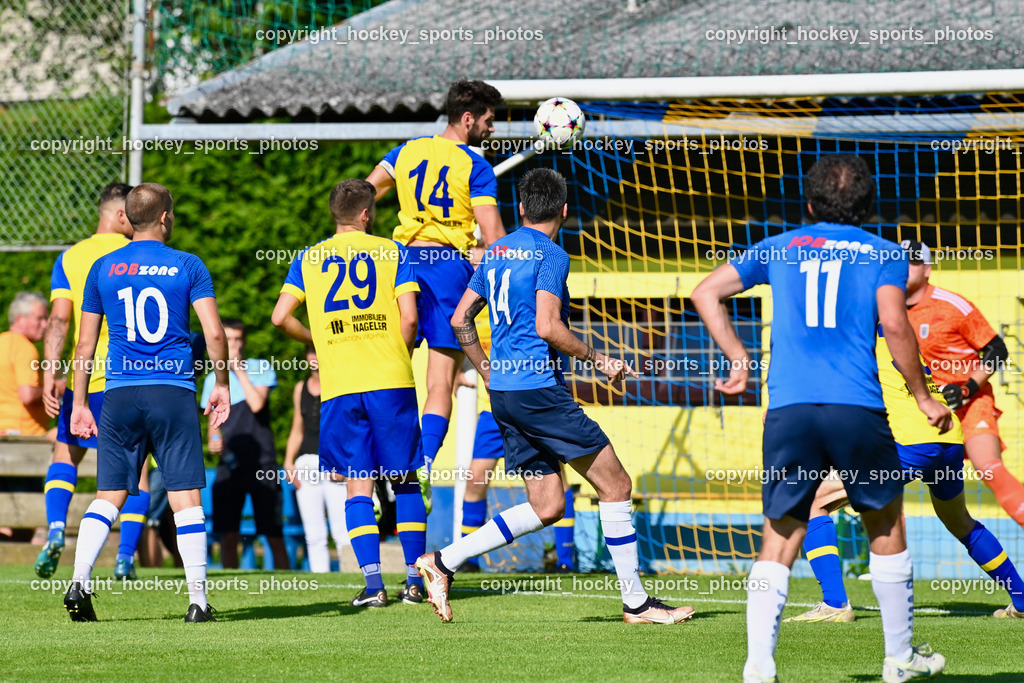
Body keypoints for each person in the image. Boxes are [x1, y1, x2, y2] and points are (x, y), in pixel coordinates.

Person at [691, 154, 953, 683]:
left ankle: (759, 666)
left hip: (789, 410)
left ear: (809, 205)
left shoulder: (780, 246)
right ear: (869, 207)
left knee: (780, 533)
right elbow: (895, 326)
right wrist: (923, 396)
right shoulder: (882, 253)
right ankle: (899, 658)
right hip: (857, 408)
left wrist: (739, 360)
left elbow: (705, 291)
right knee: (885, 523)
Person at [415, 168, 693, 625]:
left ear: (521, 208)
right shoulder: (552, 254)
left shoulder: (497, 250)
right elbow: (547, 326)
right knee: (616, 485)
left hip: (505, 393)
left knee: (548, 505)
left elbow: (460, 317)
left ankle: (442, 561)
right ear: (564, 210)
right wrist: (600, 360)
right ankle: (637, 603)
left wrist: (486, 368)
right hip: (537, 391)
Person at [788, 300, 1024, 622]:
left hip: (911, 443)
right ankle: (1022, 600)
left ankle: (834, 604)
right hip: (948, 437)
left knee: (813, 498)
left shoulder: (855, 339)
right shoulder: (896, 332)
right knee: (960, 522)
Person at [64, 182, 231, 623]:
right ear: (163, 218)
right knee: (185, 495)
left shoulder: (102, 268)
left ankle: (79, 580)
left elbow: (84, 345)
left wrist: (80, 403)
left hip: (118, 392)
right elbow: (214, 333)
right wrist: (221, 384)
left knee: (109, 494)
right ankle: (197, 601)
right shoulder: (187, 265)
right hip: (172, 391)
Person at [272, 178, 427, 607]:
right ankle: (416, 581)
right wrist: (399, 354)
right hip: (390, 380)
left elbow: (279, 316)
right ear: (366, 214)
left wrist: (315, 341)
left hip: (340, 386)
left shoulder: (309, 257)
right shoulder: (392, 252)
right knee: (406, 480)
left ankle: (374, 587)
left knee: (357, 485)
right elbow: (410, 319)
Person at [366, 79, 506, 498]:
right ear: (468, 119)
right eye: (488, 121)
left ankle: (371, 473)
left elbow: (364, 194)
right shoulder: (476, 167)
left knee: (387, 373)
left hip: (401, 262)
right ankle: (424, 465)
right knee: (440, 383)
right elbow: (495, 236)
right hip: (447, 268)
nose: (492, 130)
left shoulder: (406, 151)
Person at [35, 182, 151, 581]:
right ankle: (124, 556)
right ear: (122, 215)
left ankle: (54, 530)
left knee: (66, 455)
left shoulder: (72, 257)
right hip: (133, 376)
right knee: (137, 473)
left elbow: (59, 321)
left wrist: (52, 372)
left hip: (86, 379)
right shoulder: (138, 255)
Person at [901, 240, 1024, 528]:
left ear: (928, 269)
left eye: (913, 261)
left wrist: (967, 389)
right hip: (919, 410)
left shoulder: (953, 304)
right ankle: (889, 566)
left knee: (990, 469)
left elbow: (997, 351)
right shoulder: (883, 308)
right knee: (884, 479)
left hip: (969, 404)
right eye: (899, 261)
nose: (904, 267)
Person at [459, 309, 576, 573]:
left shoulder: (524, 309)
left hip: (530, 410)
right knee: (475, 479)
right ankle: (470, 558)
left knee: (555, 481)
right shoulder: (473, 315)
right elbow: (459, 349)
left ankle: (565, 560)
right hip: (492, 415)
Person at [201, 319, 289, 570]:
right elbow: (213, 419)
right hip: (230, 466)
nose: (235, 345)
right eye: (229, 339)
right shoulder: (213, 379)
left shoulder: (261, 368)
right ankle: (231, 587)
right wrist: (213, 438)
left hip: (262, 463)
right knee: (228, 534)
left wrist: (238, 370)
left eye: (239, 339)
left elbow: (257, 404)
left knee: (272, 533)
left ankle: (290, 587)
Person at [283, 346, 350, 573]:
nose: (315, 357)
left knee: (343, 531)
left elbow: (347, 427)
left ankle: (350, 578)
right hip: (306, 464)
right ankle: (320, 578)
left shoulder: (340, 384)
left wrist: (343, 463)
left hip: (334, 463)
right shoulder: (300, 388)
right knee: (314, 533)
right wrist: (288, 462)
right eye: (311, 352)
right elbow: (297, 428)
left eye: (318, 351)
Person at [0, 291, 49, 437]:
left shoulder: (2, 341)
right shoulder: (24, 347)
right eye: (39, 319)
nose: (45, 325)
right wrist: (57, 388)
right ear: (20, 319)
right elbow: (27, 395)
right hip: (24, 436)